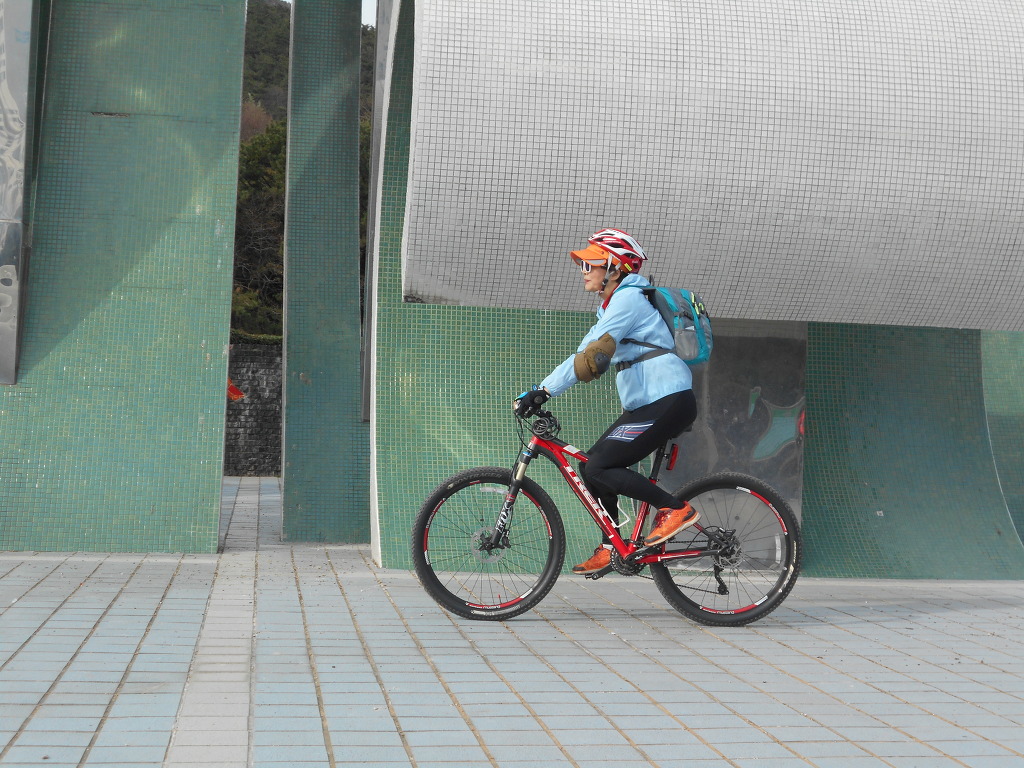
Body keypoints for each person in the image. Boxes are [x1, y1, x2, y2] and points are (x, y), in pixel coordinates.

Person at [514, 228, 699, 575]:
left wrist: (544, 391)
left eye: (591, 264)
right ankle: (611, 545)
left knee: (599, 466)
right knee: (590, 467)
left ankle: (675, 509)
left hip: (668, 398)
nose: (584, 271)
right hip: (649, 404)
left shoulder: (628, 301)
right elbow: (585, 353)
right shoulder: (613, 306)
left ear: (615, 269)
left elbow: (588, 358)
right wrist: (542, 388)